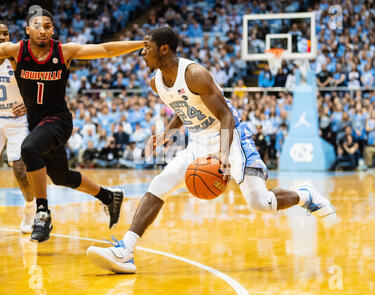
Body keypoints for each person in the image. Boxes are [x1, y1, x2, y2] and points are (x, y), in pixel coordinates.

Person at [86, 27, 337, 274]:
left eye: (146, 48)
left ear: (164, 49)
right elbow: (183, 106)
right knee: (161, 183)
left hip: (231, 138)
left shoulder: (195, 74)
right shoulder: (156, 83)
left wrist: (224, 155)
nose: (142, 53)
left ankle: (305, 195)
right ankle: (125, 251)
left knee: (260, 203)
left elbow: (226, 115)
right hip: (198, 142)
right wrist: (168, 133)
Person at [0, 7, 144, 242]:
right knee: (61, 177)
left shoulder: (64, 51)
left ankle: (42, 212)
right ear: (27, 30)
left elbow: (106, 49)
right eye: (37, 26)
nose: (43, 30)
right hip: (38, 124)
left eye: (47, 26)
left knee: (29, 149)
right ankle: (109, 196)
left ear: (53, 30)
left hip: (58, 121)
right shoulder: (15, 51)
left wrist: (141, 43)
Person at [0, 20, 35, 233]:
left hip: (16, 121)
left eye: (5, 33)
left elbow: (37, 86)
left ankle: (30, 208)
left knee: (21, 171)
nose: (3, 37)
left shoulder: (17, 59)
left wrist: (29, 103)